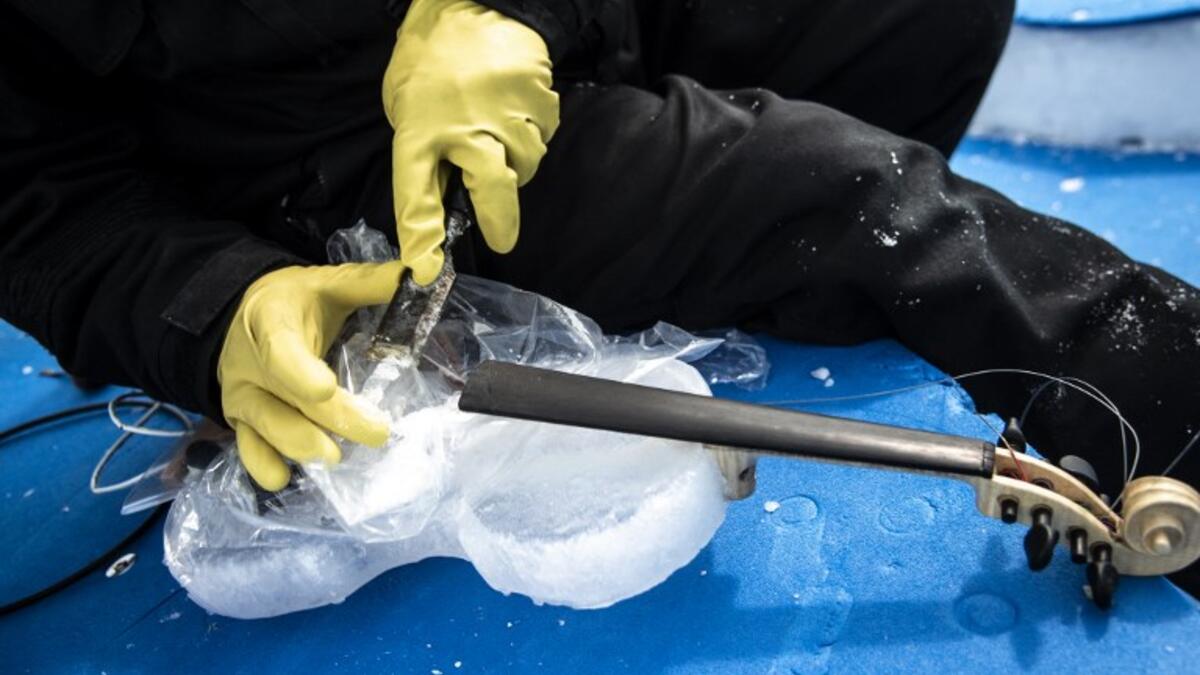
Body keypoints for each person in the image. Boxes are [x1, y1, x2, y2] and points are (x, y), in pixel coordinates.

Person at [2, 1, 1198, 584]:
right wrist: (215, 307)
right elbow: (32, 194)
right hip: (336, 186)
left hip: (510, 37)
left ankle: (689, 229)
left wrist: (509, 12)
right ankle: (1174, 411)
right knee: (840, 197)